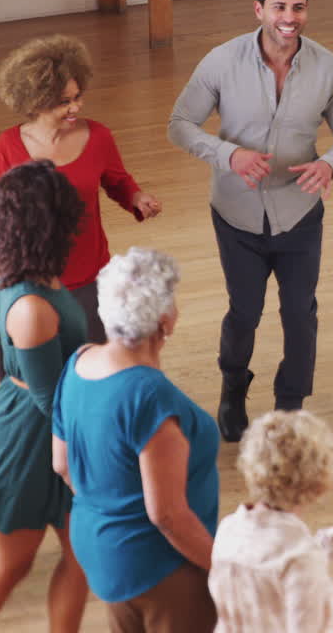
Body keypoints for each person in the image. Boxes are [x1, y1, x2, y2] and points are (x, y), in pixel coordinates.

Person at [168, 0, 333, 442]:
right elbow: (180, 124)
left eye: (298, 7)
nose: (289, 17)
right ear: (259, 9)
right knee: (245, 311)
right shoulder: (221, 61)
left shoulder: (326, 67)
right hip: (236, 214)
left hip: (299, 212)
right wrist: (227, 154)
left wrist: (332, 164)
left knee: (300, 313)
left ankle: (290, 408)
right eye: (279, 6)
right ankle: (233, 387)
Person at [0, 161, 90, 633]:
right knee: (12, 565)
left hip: (35, 427)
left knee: (82, 553)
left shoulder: (15, 278)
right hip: (27, 444)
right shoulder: (31, 305)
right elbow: (50, 401)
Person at [51, 247, 220, 633]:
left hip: (99, 550)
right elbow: (167, 516)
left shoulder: (78, 363)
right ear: (165, 323)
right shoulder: (150, 397)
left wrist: (110, 509)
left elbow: (61, 465)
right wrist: (226, 567)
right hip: (160, 566)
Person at [0, 34, 162, 344]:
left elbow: (117, 181)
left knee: (91, 361)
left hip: (89, 275)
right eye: (64, 102)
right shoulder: (9, 146)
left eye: (78, 96)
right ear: (36, 101)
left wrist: (136, 197)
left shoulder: (97, 136)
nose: (76, 107)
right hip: (33, 280)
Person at [210, 410, 333, 633]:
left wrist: (325, 545)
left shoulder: (229, 528)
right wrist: (314, 553)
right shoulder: (301, 558)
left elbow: (268, 570)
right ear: (319, 482)